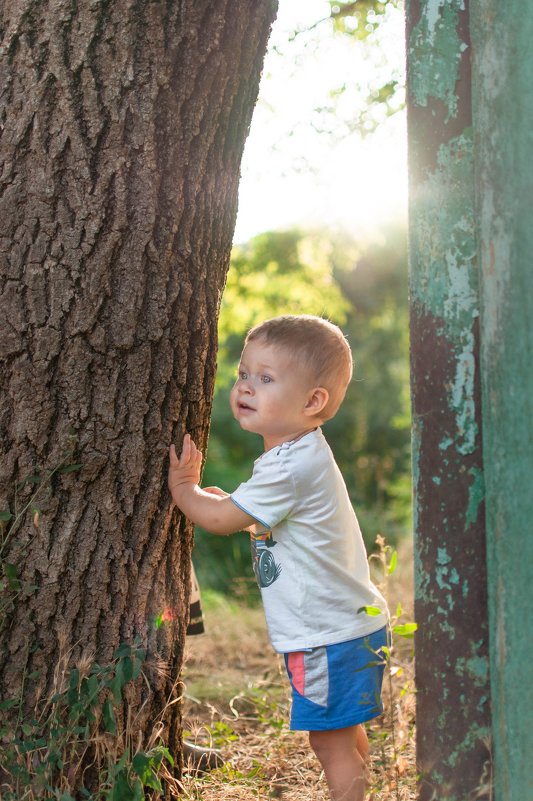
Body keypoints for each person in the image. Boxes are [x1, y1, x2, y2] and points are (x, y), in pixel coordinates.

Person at [168, 315, 389, 801]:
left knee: (329, 744)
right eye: (244, 374)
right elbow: (265, 517)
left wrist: (184, 488)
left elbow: (221, 519)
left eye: (266, 379)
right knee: (344, 736)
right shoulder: (298, 455)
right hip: (350, 626)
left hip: (325, 636)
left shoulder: (288, 466)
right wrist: (236, 507)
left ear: (313, 401)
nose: (246, 387)